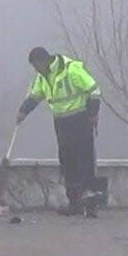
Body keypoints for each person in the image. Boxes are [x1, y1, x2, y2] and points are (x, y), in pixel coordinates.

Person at [17, 46, 103, 217]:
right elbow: (36, 96)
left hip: (80, 119)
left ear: (43, 61)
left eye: (35, 66)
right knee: (67, 161)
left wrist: (92, 113)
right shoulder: (43, 77)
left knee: (84, 160)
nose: (35, 70)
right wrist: (23, 111)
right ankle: (74, 202)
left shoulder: (71, 69)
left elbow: (94, 90)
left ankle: (90, 202)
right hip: (61, 122)